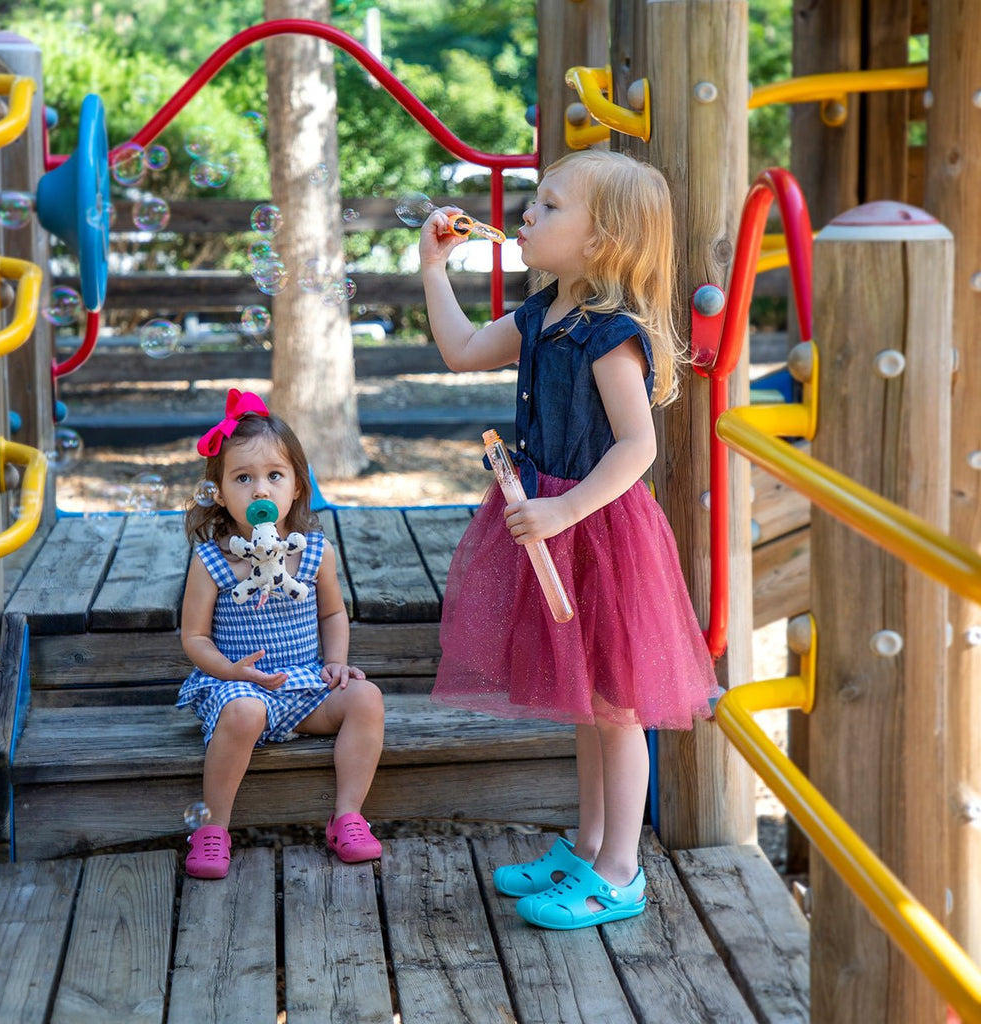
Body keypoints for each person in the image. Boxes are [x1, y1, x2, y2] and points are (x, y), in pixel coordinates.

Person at [418, 150, 719, 930]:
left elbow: (637, 448)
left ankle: (621, 871)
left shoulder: (610, 337)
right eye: (533, 202)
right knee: (586, 702)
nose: (526, 214)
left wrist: (564, 512)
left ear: (602, 240)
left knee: (615, 705)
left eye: (549, 207)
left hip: (599, 532)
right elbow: (457, 351)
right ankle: (586, 848)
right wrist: (432, 267)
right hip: (549, 523)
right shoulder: (539, 316)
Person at [177, 389, 385, 879]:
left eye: (275, 475)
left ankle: (348, 817)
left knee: (367, 698)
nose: (260, 490)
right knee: (247, 709)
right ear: (221, 493)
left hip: (302, 687)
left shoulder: (315, 553)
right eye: (243, 478)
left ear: (296, 486)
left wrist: (335, 661)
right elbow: (194, 637)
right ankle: (213, 829)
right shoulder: (212, 561)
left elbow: (333, 615)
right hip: (237, 690)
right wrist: (228, 670)